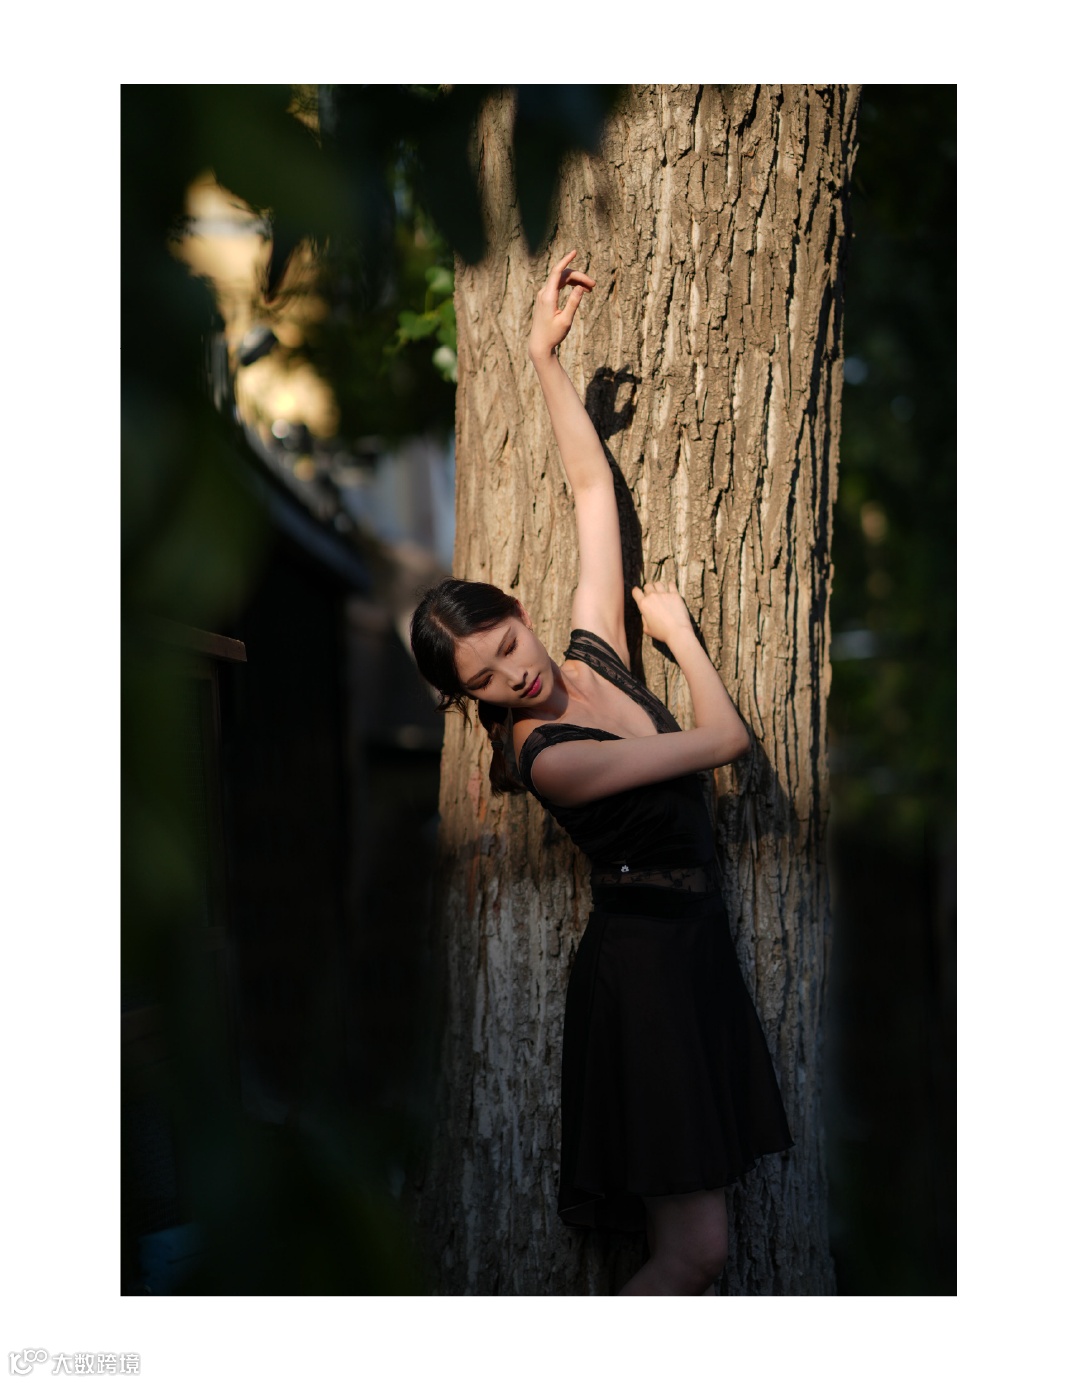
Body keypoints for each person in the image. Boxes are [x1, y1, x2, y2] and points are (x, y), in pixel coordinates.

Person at [410, 250, 793, 1295]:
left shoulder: (588, 651)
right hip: (646, 976)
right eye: (486, 679)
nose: (515, 675)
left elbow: (589, 491)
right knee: (695, 1255)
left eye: (506, 643)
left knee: (699, 1249)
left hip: (696, 951)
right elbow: (722, 742)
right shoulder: (550, 761)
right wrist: (683, 639)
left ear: (519, 612)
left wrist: (543, 356)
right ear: (474, 700)